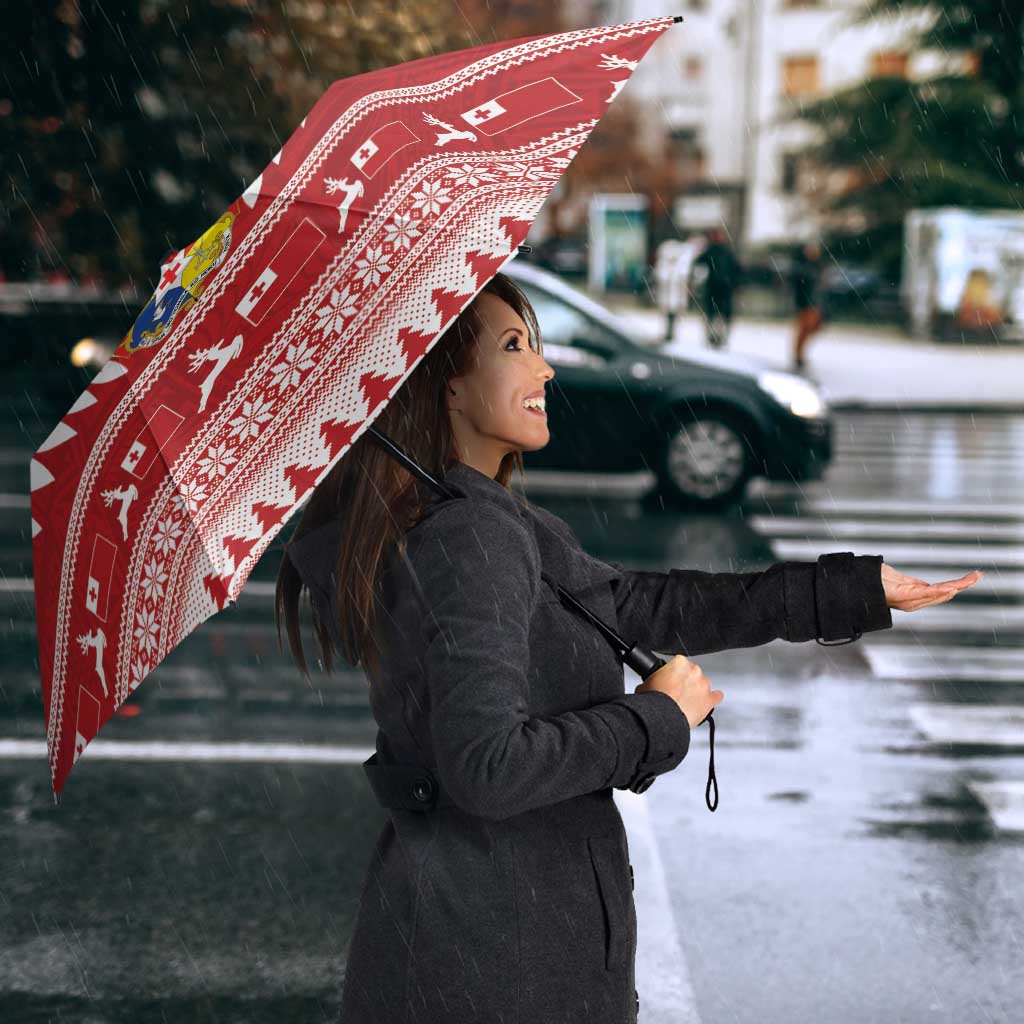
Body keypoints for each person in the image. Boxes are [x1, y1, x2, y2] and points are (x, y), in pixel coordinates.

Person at [276, 271, 972, 1024]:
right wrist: (656, 719)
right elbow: (488, 768)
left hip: (476, 944)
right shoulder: (468, 537)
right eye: (515, 346)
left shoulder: (472, 518)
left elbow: (639, 605)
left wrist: (851, 591)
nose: (544, 368)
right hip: (498, 963)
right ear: (446, 385)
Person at [692, 226, 742, 349]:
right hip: (715, 288)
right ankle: (713, 337)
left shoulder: (725, 252)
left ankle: (719, 337)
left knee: (720, 315)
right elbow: (698, 264)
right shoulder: (712, 251)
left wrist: (735, 284)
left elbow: (736, 270)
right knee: (713, 314)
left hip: (723, 288)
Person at [790, 239, 826, 371]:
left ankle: (800, 354)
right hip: (805, 303)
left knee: (812, 328)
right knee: (804, 329)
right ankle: (798, 355)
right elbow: (799, 286)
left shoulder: (817, 266)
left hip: (814, 303)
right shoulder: (802, 267)